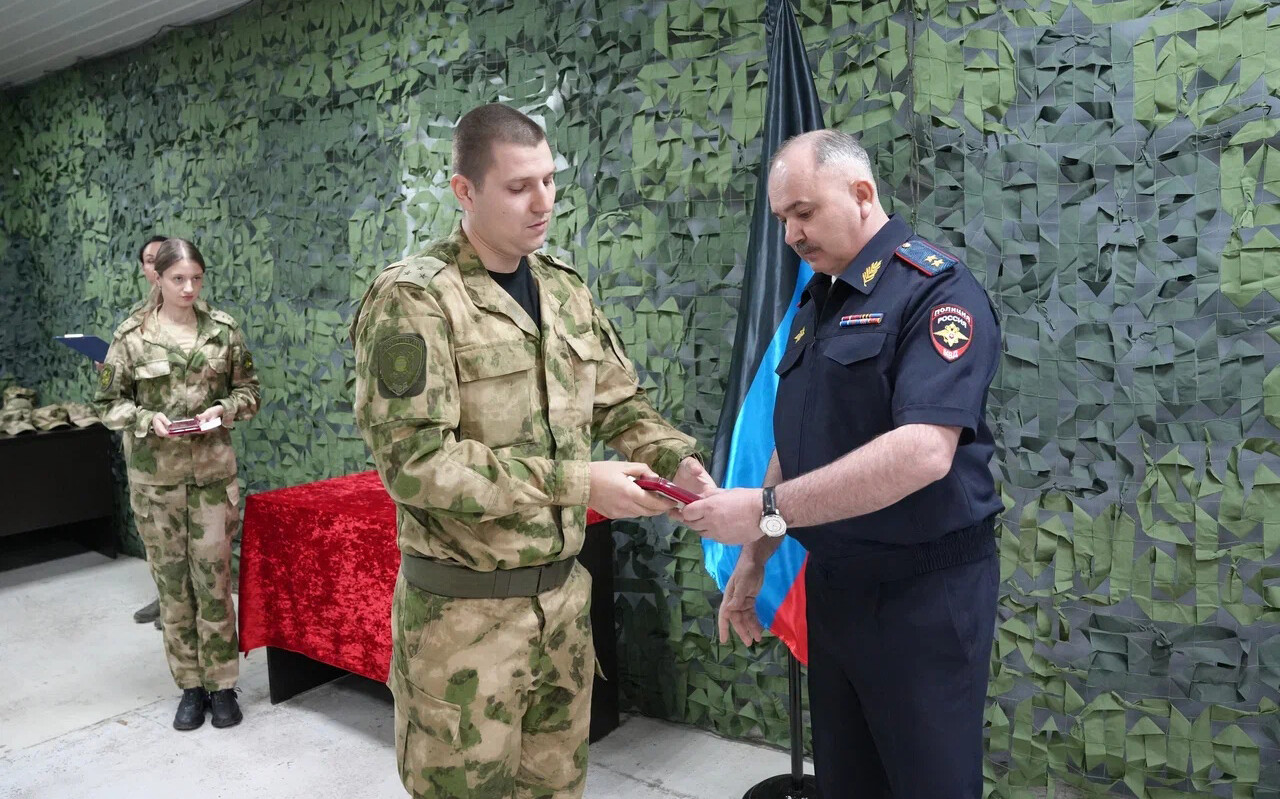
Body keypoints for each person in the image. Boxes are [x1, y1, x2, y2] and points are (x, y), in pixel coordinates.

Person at [351, 103, 715, 799]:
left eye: (549, 180)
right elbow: (416, 465)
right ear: (465, 190)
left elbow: (617, 402)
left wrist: (675, 461)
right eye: (519, 187)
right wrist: (579, 483)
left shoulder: (563, 289)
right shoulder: (417, 299)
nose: (543, 202)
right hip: (463, 628)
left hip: (562, 613)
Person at [680, 129, 1003, 799]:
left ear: (861, 193)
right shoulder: (817, 299)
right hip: (835, 590)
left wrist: (765, 510)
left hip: (920, 597)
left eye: (803, 212)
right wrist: (757, 555)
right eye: (782, 219)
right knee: (848, 783)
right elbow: (797, 437)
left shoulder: (935, 291)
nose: (792, 234)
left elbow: (924, 450)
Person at [95, 238, 260, 731]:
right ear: (159, 278)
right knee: (173, 589)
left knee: (214, 584)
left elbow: (250, 391)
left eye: (196, 279)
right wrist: (148, 420)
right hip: (157, 483)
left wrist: (224, 409)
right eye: (178, 279)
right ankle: (190, 687)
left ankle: (222, 686)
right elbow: (108, 405)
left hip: (212, 479)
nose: (189, 288)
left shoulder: (223, 331)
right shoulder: (132, 337)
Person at [128, 234, 170, 626]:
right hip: (145, 447)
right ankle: (165, 598)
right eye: (149, 260)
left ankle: (182, 608)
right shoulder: (135, 321)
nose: (155, 266)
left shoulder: (196, 317)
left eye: (162, 257)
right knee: (153, 530)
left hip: (185, 445)